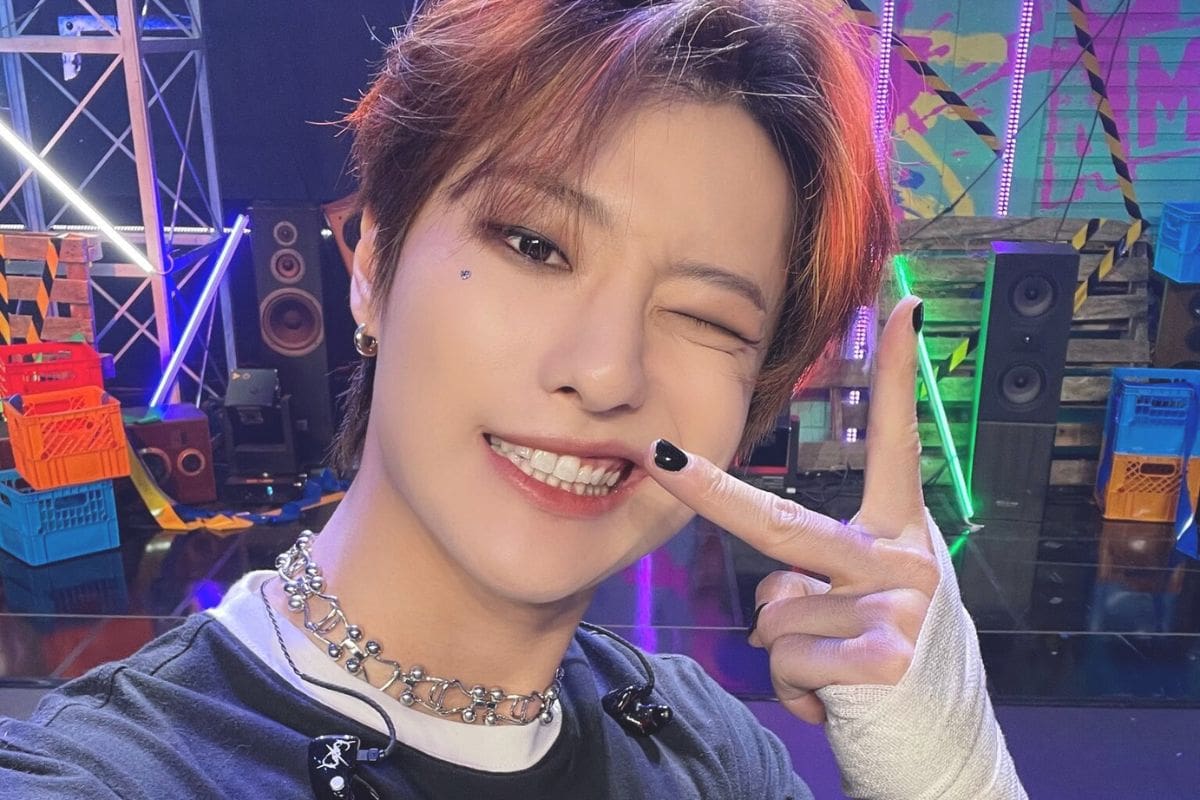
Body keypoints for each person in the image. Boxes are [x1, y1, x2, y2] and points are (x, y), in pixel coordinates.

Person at [0, 1, 1028, 797]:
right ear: (374, 262)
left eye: (705, 316)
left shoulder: (707, 750)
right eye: (533, 245)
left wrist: (945, 771)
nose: (607, 370)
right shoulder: (118, 774)